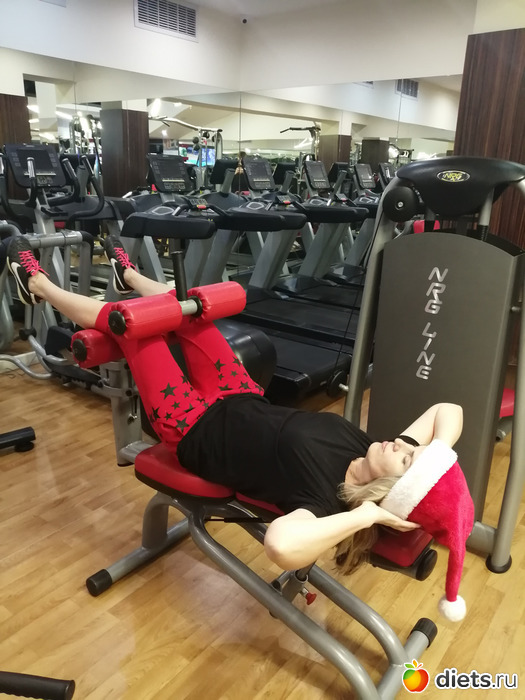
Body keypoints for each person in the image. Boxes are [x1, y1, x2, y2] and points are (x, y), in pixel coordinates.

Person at [4, 235, 463, 577]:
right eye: (412, 449)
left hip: (194, 427)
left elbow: (281, 547)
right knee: (191, 312)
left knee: (130, 325)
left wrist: (366, 514)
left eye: (407, 459)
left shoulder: (327, 503)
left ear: (390, 490)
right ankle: (131, 277)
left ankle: (37, 285)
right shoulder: (371, 448)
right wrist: (436, 453)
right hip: (239, 393)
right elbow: (448, 409)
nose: (403, 444)